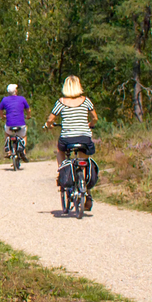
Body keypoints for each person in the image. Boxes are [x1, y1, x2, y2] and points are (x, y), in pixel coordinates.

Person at [43, 75, 98, 208]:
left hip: (67, 138)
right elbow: (95, 118)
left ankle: (62, 172)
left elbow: (50, 119)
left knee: (60, 151)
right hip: (84, 138)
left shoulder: (61, 102)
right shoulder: (86, 101)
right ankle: (87, 192)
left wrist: (49, 125)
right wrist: (90, 124)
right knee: (84, 162)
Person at [0, 84, 30, 155]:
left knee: (7, 133)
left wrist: (2, 117)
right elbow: (28, 110)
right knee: (24, 136)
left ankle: (8, 149)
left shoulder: (4, 100)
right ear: (15, 91)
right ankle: (23, 151)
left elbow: (0, 110)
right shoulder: (22, 99)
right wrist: (28, 116)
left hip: (9, 125)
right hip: (21, 124)